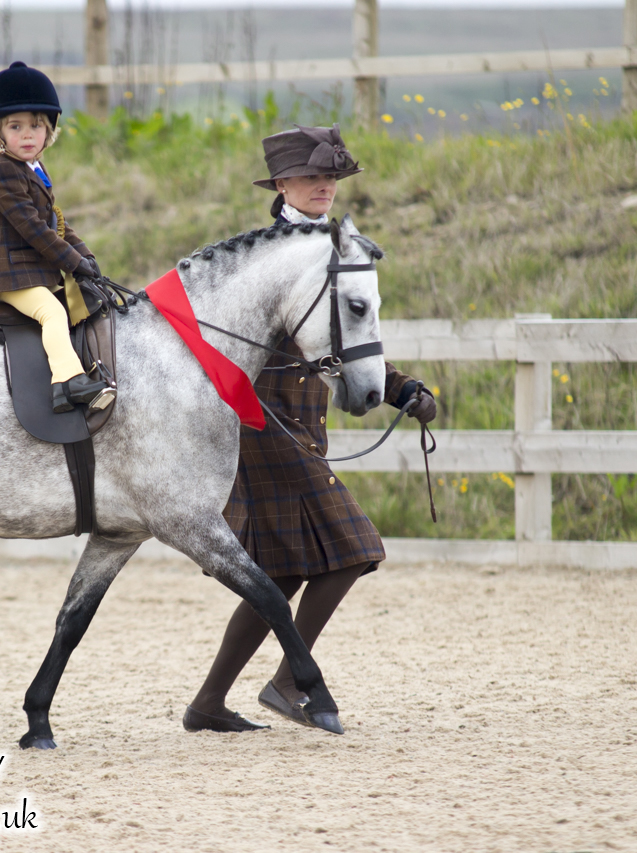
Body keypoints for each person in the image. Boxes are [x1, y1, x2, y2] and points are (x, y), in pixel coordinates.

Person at [182, 124, 438, 734]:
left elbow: (347, 341)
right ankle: (290, 682)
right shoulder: (261, 254)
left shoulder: (337, 251)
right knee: (355, 551)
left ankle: (208, 704)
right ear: (281, 185)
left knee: (282, 574)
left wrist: (399, 388)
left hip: (302, 426)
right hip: (259, 424)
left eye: (332, 177)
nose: (324, 186)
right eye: (312, 176)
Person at [0, 61, 113, 413]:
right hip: (7, 273)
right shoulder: (3, 171)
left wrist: (86, 258)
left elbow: (57, 221)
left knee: (87, 301)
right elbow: (34, 228)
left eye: (36, 126)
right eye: (16, 127)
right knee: (52, 312)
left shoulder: (33, 167)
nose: (28, 135)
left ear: (48, 130)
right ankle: (67, 382)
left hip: (30, 270)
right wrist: (71, 262)